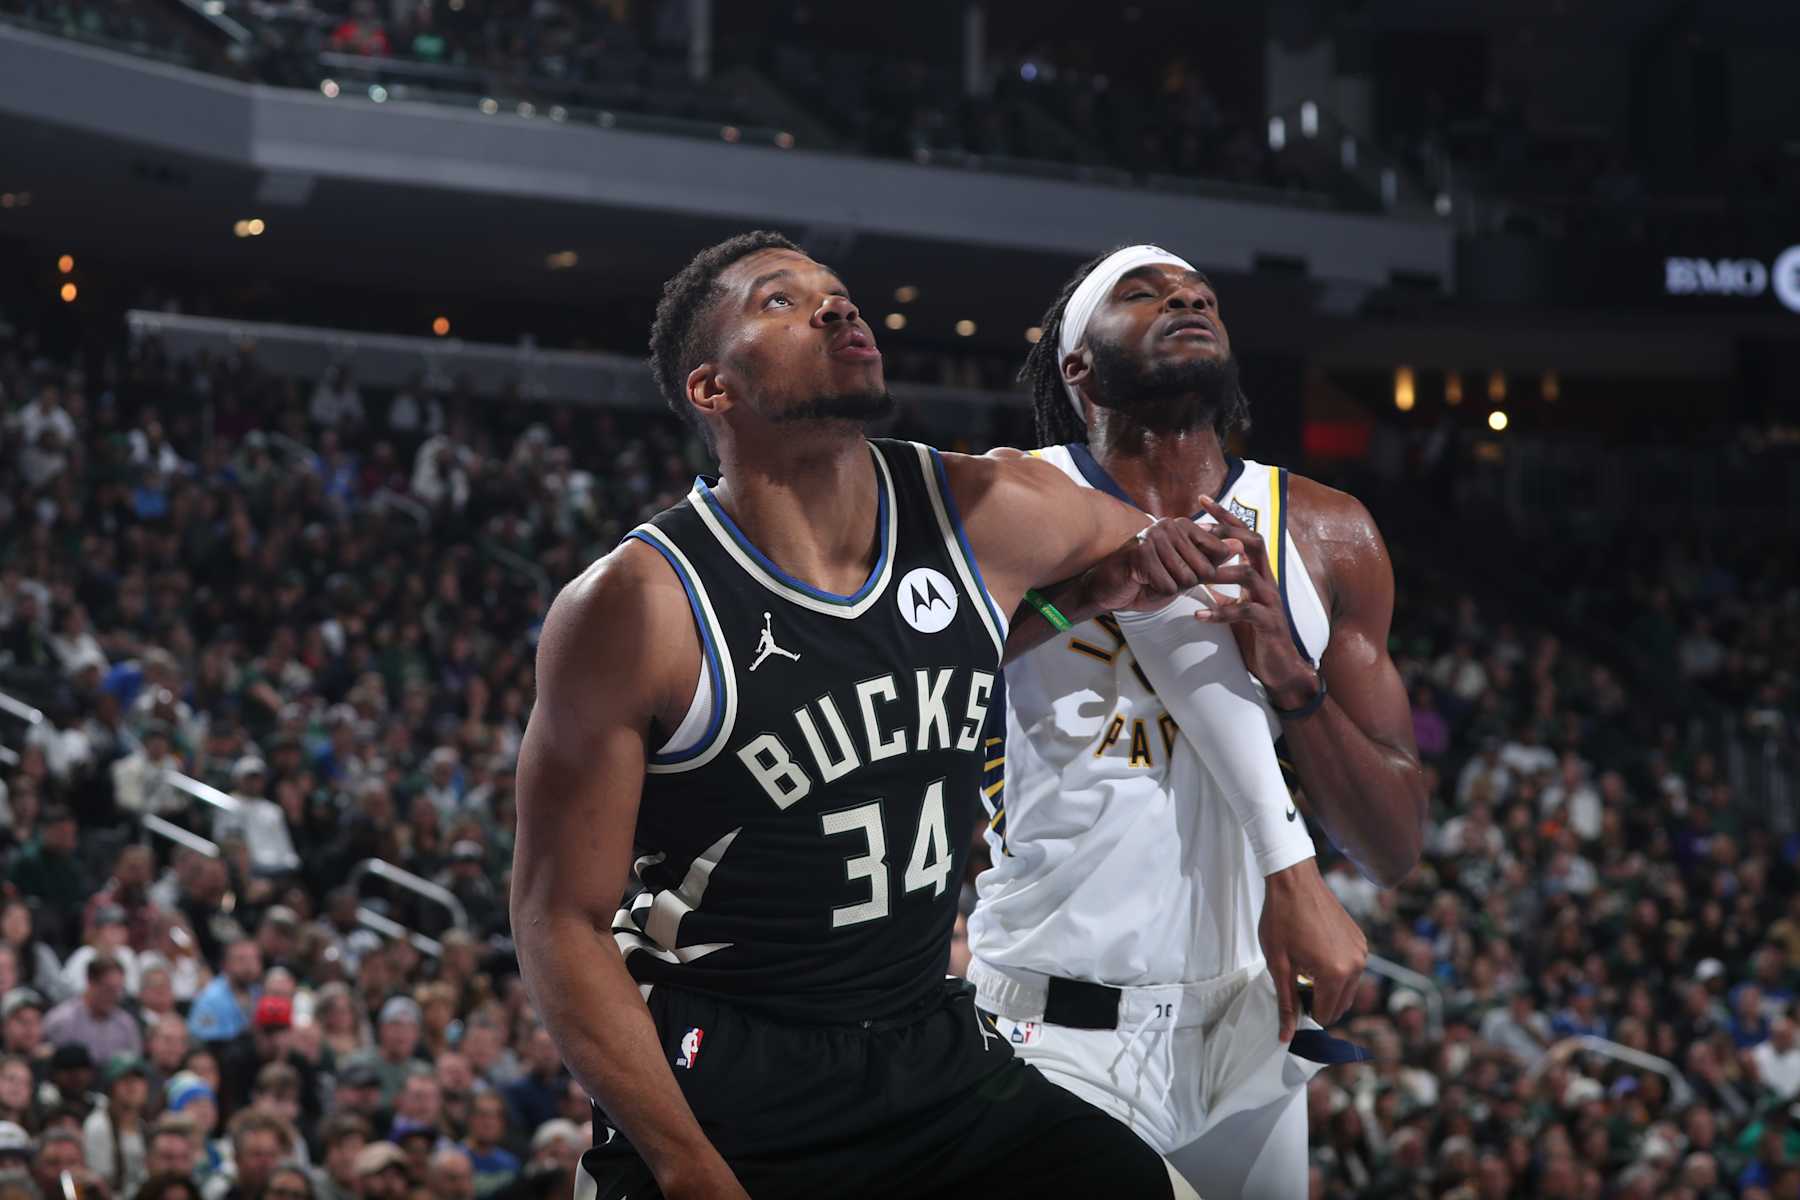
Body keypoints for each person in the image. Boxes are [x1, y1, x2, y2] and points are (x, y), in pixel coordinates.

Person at [513, 231, 1259, 1199]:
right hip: (736, 1074)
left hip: (930, 1050)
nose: (835, 308)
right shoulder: (638, 605)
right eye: (779, 302)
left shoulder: (982, 506)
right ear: (712, 390)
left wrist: (1089, 594)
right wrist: (689, 1167)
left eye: (839, 293)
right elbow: (557, 920)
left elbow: (1203, 538)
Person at [967, 243, 1425, 1198]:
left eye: (1199, 293)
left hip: (1250, 1030)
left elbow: (1392, 845)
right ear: (1076, 364)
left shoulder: (1327, 531)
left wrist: (1291, 677)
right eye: (1142, 293)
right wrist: (1080, 596)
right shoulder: (1008, 501)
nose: (1184, 296)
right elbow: (913, 668)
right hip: (1054, 1029)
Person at [44, 961, 141, 1067]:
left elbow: (134, 1065)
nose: (114, 996)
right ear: (90, 982)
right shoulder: (61, 1020)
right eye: (108, 989)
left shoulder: (126, 1024)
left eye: (118, 990)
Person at [82, 1056, 150, 1198]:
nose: (132, 1085)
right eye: (124, 1079)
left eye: (138, 1079)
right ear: (110, 1087)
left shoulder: (142, 1126)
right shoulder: (98, 1126)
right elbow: (100, 1183)